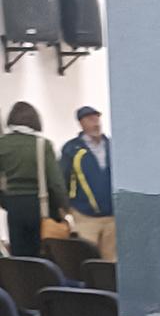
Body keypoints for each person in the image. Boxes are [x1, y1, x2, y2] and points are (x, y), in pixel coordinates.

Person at [0, 101, 67, 257]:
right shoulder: (43, 145)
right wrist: (65, 207)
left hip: (14, 206)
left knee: (20, 256)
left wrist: (6, 202)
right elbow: (56, 183)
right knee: (43, 255)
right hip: (41, 206)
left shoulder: (2, 144)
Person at [61, 104, 115, 260]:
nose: (96, 123)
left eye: (97, 119)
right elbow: (63, 178)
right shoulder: (72, 149)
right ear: (81, 123)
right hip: (84, 215)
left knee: (111, 262)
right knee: (88, 259)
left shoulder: (112, 145)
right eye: (90, 119)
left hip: (112, 217)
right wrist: (66, 208)